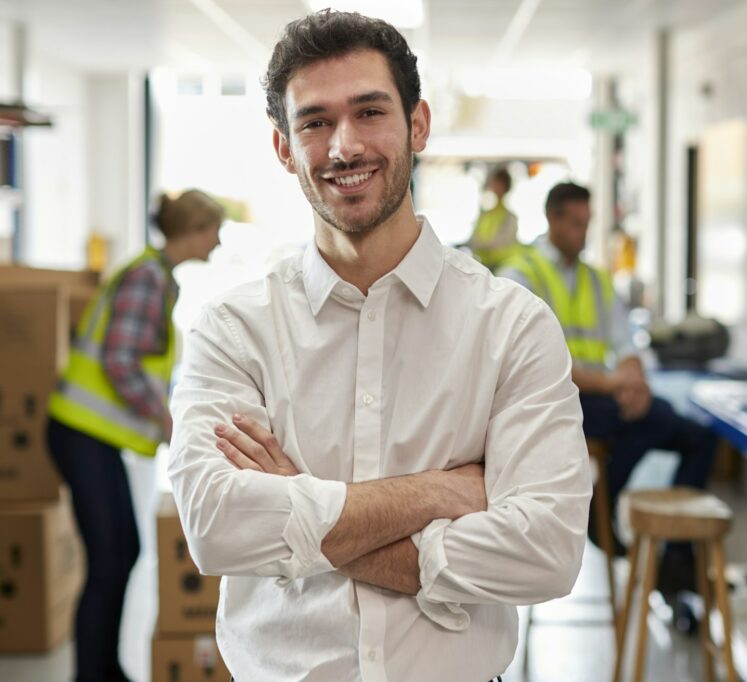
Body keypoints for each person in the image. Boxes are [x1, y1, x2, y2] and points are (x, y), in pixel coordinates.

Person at [167, 11, 590, 682]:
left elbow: (547, 552)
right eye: (314, 122)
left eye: (369, 112)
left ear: (417, 125)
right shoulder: (233, 331)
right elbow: (218, 525)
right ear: (284, 147)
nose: (343, 146)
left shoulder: (510, 326)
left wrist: (298, 512)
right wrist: (439, 494)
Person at [500, 182, 718, 590]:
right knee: (654, 419)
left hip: (605, 399)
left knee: (699, 438)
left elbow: (623, 343)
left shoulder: (597, 280)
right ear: (553, 219)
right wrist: (614, 382)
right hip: (550, 406)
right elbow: (540, 363)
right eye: (576, 224)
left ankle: (675, 559)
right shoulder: (520, 276)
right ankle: (598, 511)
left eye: (587, 223)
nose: (583, 233)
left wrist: (633, 379)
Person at [47, 189, 224, 682]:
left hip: (91, 437)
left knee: (123, 550)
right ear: (193, 230)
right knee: (110, 558)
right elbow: (119, 360)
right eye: (215, 230)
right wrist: (163, 420)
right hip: (79, 433)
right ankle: (93, 675)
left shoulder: (158, 278)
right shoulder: (148, 279)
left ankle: (106, 668)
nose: (219, 241)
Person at [468, 166, 520, 271]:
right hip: (484, 265)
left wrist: (483, 245)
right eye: (494, 183)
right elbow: (474, 239)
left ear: (506, 186)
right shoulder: (484, 214)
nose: (496, 186)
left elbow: (503, 243)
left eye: (499, 183)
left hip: (503, 267)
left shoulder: (510, 217)